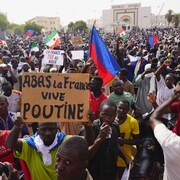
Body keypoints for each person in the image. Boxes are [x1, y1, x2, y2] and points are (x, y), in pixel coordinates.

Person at [5, 116, 94, 180]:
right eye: (43, 129)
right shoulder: (29, 145)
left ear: (57, 130)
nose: (47, 133)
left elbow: (86, 144)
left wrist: (87, 126)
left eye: (51, 129)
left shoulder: (64, 141)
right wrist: (17, 127)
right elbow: (9, 144)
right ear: (37, 131)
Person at [83, 99, 126, 180]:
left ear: (115, 115)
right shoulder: (90, 128)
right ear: (99, 113)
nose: (107, 119)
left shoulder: (115, 127)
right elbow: (86, 155)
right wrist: (100, 138)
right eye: (104, 114)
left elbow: (115, 144)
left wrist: (125, 159)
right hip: (94, 173)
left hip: (110, 172)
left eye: (111, 115)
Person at [150, 82, 180, 179]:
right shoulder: (178, 105)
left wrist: (172, 98)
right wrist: (154, 103)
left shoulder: (171, 142)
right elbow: (161, 111)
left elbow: (155, 117)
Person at [115, 100, 140, 179]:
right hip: (110, 158)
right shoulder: (110, 118)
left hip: (124, 159)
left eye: (124, 109)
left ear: (128, 110)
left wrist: (123, 141)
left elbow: (137, 141)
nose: (121, 110)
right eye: (120, 108)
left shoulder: (133, 122)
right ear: (116, 108)